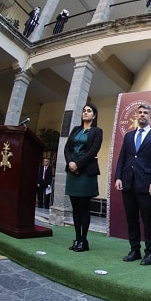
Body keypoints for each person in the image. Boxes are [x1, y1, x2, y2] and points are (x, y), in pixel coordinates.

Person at [114, 103, 151, 266]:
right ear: (136, 116)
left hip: (146, 184)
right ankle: (134, 250)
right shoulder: (128, 136)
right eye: (140, 112)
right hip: (127, 183)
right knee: (131, 219)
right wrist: (118, 177)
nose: (142, 115)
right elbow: (122, 158)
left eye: (146, 113)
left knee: (147, 219)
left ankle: (150, 253)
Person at [64, 103, 103, 252]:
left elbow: (93, 150)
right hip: (72, 171)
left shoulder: (97, 131)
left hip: (85, 172)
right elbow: (67, 148)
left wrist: (78, 164)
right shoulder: (75, 130)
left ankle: (84, 241)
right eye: (84, 111)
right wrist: (70, 163)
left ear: (94, 115)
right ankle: (77, 239)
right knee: (75, 207)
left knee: (83, 207)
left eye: (89, 111)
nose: (86, 113)